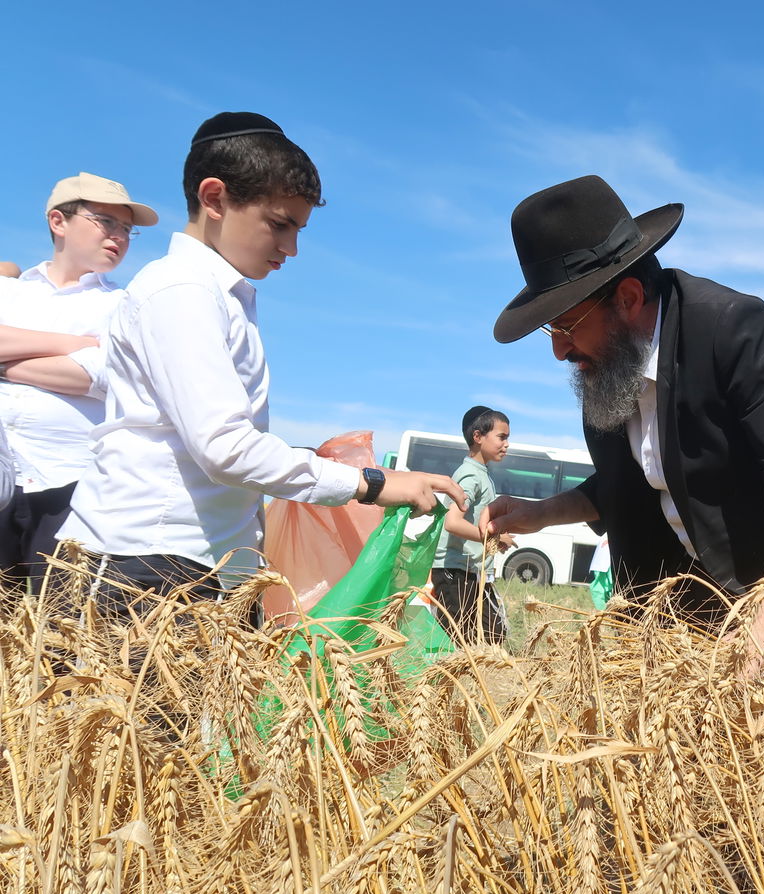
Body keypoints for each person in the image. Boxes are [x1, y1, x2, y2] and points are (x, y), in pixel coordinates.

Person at [57, 112, 463, 615]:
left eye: (299, 229)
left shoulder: (219, 293)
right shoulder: (181, 289)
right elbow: (225, 446)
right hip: (144, 564)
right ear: (214, 199)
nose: (291, 248)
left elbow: (219, 441)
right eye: (279, 224)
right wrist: (369, 484)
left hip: (203, 564)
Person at [480, 175, 764, 672]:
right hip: (703, 619)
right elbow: (630, 485)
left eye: (566, 326)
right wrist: (542, 513)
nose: (559, 350)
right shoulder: (606, 374)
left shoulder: (737, 332)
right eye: (552, 330)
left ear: (628, 298)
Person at [0, 173, 159, 589]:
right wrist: (74, 343)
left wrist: (5, 364)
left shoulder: (123, 305)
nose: (119, 236)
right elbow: (86, 363)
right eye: (106, 221)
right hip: (3, 473)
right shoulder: (9, 291)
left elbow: (105, 373)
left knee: (59, 618)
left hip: (71, 482)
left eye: (127, 228)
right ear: (59, 221)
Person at [431, 406, 515, 646]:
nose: (507, 444)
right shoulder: (470, 475)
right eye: (502, 437)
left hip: (472, 572)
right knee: (461, 641)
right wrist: (493, 538)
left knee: (494, 635)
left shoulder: (482, 474)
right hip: (455, 571)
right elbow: (452, 522)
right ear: (478, 436)